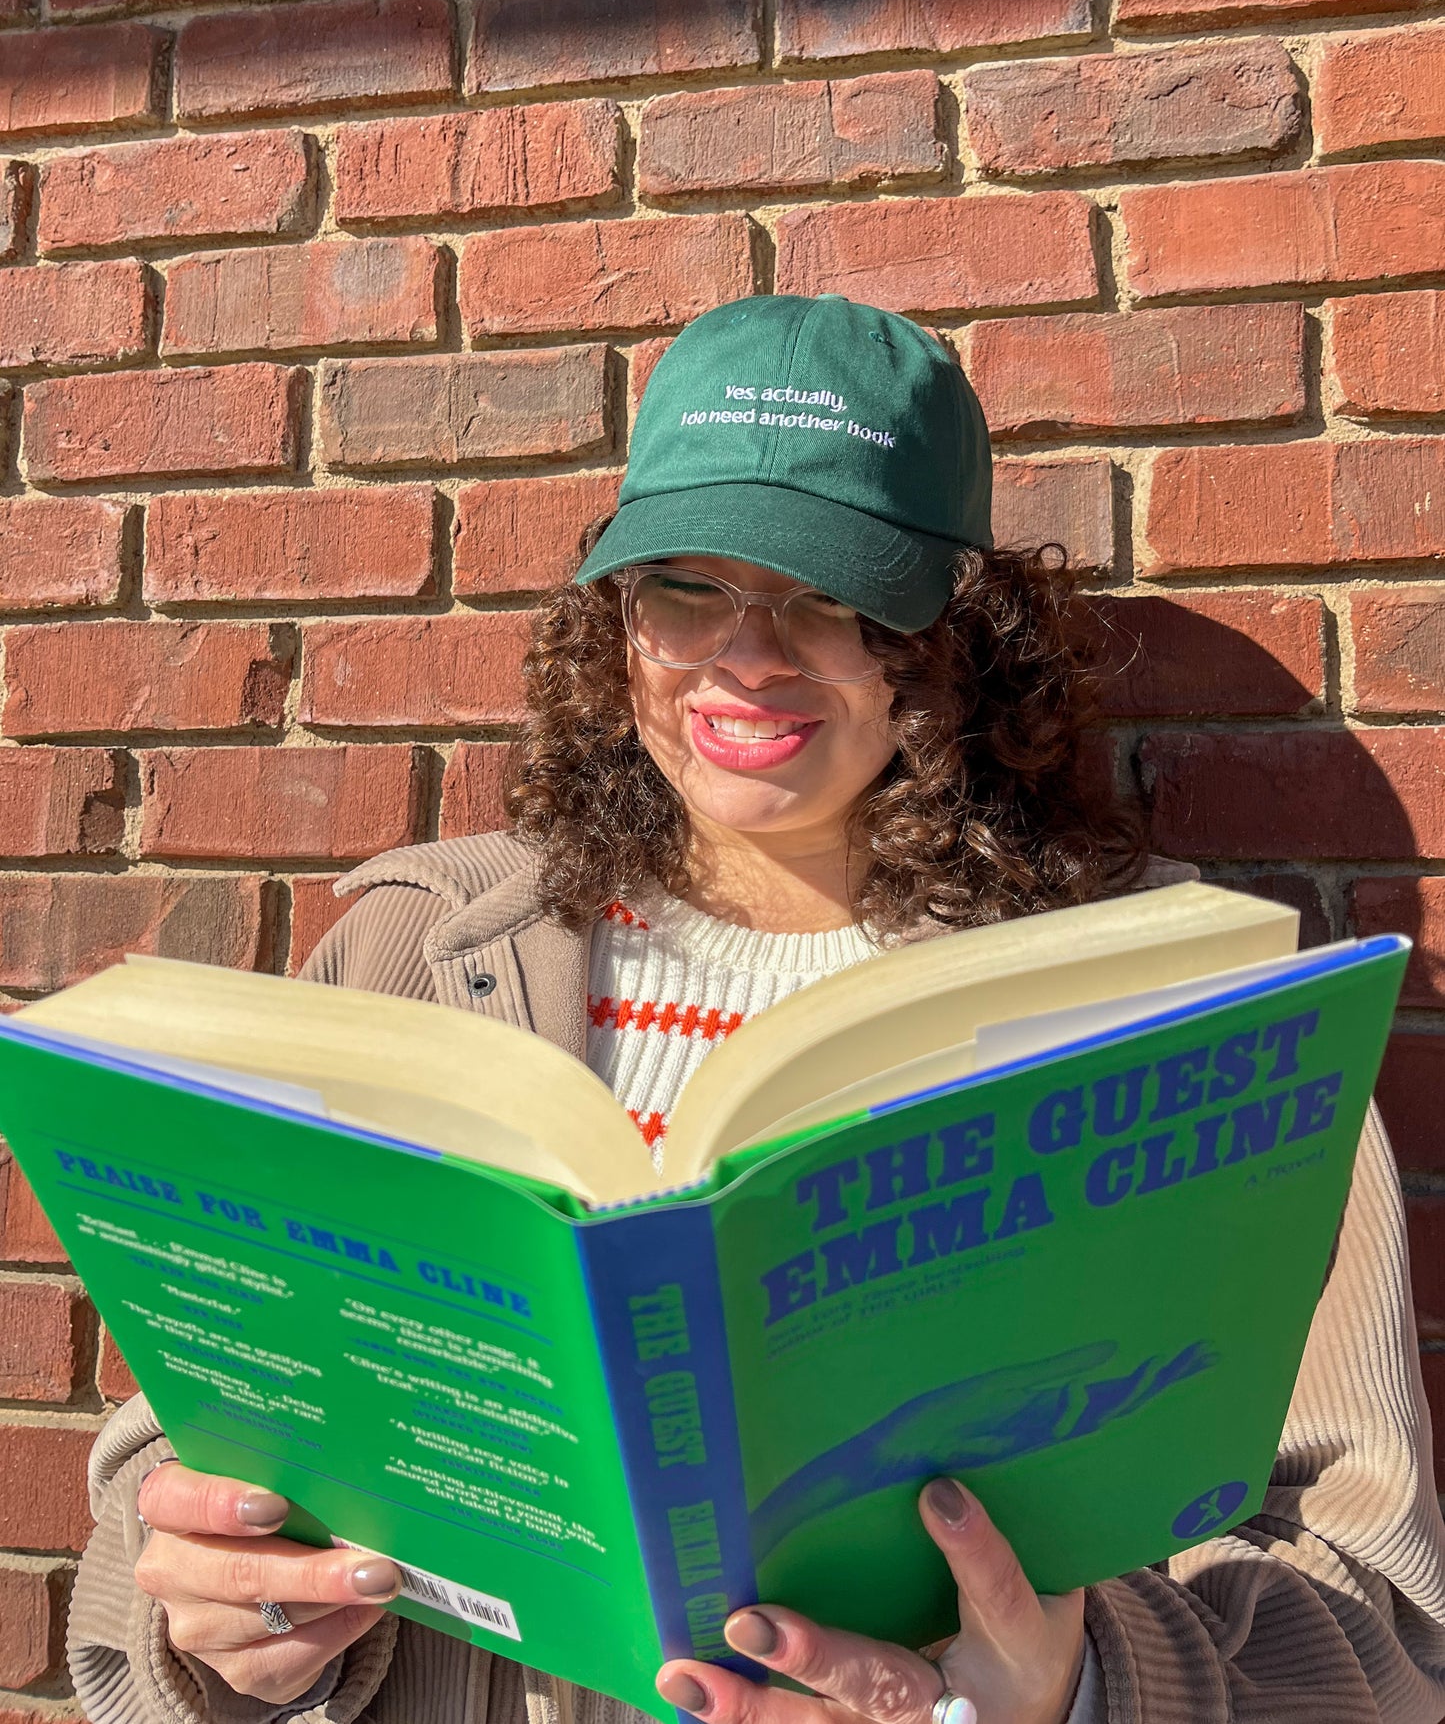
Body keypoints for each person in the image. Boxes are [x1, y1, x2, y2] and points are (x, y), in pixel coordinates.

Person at [69, 296, 1445, 1724]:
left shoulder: (1183, 1005)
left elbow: (1373, 1616)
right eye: (684, 590)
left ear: (948, 641)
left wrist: (1074, 1690)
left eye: (826, 595)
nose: (746, 659)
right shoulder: (418, 950)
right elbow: (190, 1445)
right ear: (613, 621)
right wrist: (230, 1627)